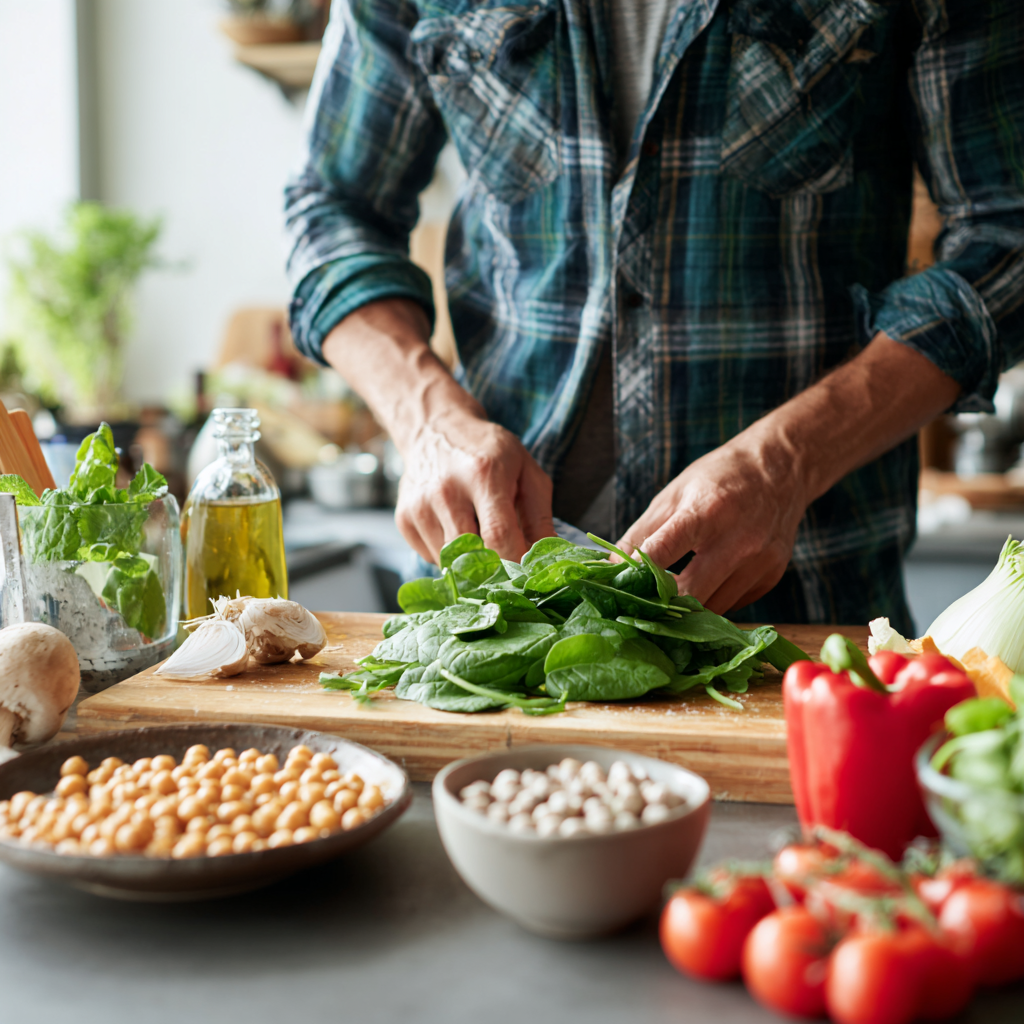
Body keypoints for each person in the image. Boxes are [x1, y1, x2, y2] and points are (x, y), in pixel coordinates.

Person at [285, 0, 1024, 634]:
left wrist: (785, 463)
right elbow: (332, 207)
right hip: (485, 612)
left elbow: (1008, 236)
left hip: (799, 605)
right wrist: (425, 418)